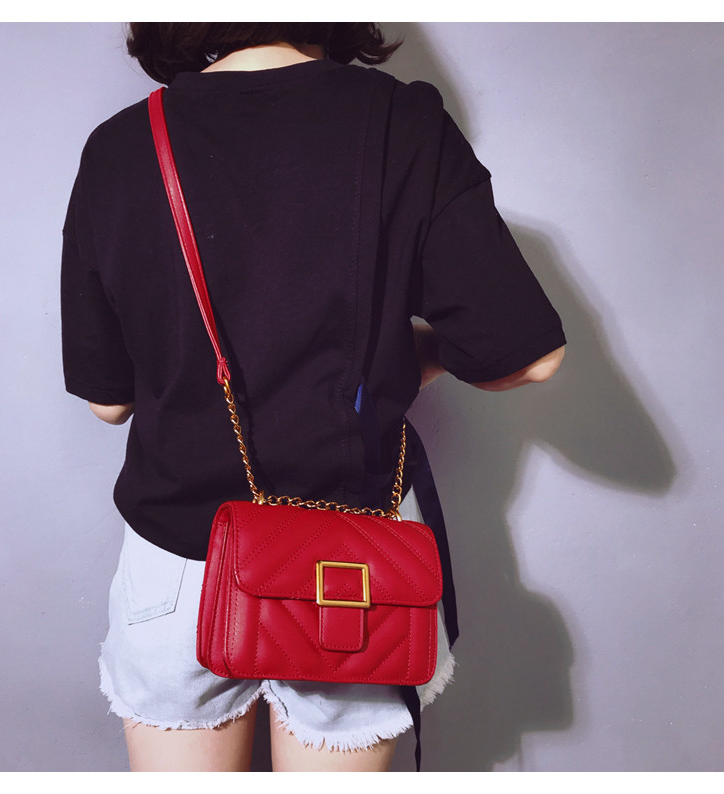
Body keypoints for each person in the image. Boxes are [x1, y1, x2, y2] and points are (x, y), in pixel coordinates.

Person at [60, 22, 566, 772]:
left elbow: (108, 402)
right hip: (351, 565)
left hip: (180, 561)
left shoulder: (122, 145)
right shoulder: (403, 123)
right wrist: (406, 355)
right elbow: (530, 357)